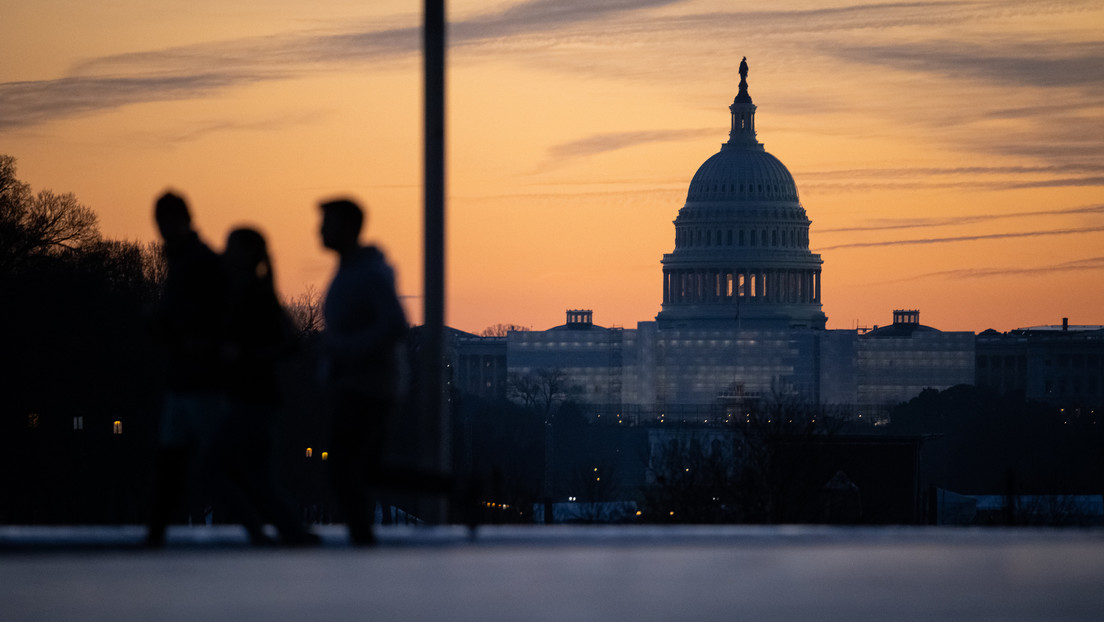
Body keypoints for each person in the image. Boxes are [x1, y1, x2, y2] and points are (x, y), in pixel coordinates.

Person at [212, 227, 319, 546]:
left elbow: (289, 345)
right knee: (255, 476)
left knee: (214, 469)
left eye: (231, 246)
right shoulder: (247, 290)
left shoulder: (253, 293)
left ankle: (268, 531)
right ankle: (288, 532)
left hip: (252, 397)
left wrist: (242, 355)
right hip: (254, 396)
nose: (225, 252)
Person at [318, 198, 408, 545]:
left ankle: (361, 537)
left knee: (344, 466)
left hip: (369, 385)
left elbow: (395, 324)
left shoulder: (367, 273)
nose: (319, 230)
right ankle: (453, 487)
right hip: (358, 382)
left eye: (327, 222)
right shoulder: (351, 269)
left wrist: (347, 352)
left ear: (348, 227)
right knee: (364, 468)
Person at [146, 191, 226, 548]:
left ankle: (157, 532)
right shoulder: (191, 260)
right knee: (179, 463)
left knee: (195, 463)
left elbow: (215, 315)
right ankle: (157, 531)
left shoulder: (194, 262)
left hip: (199, 379)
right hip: (190, 378)